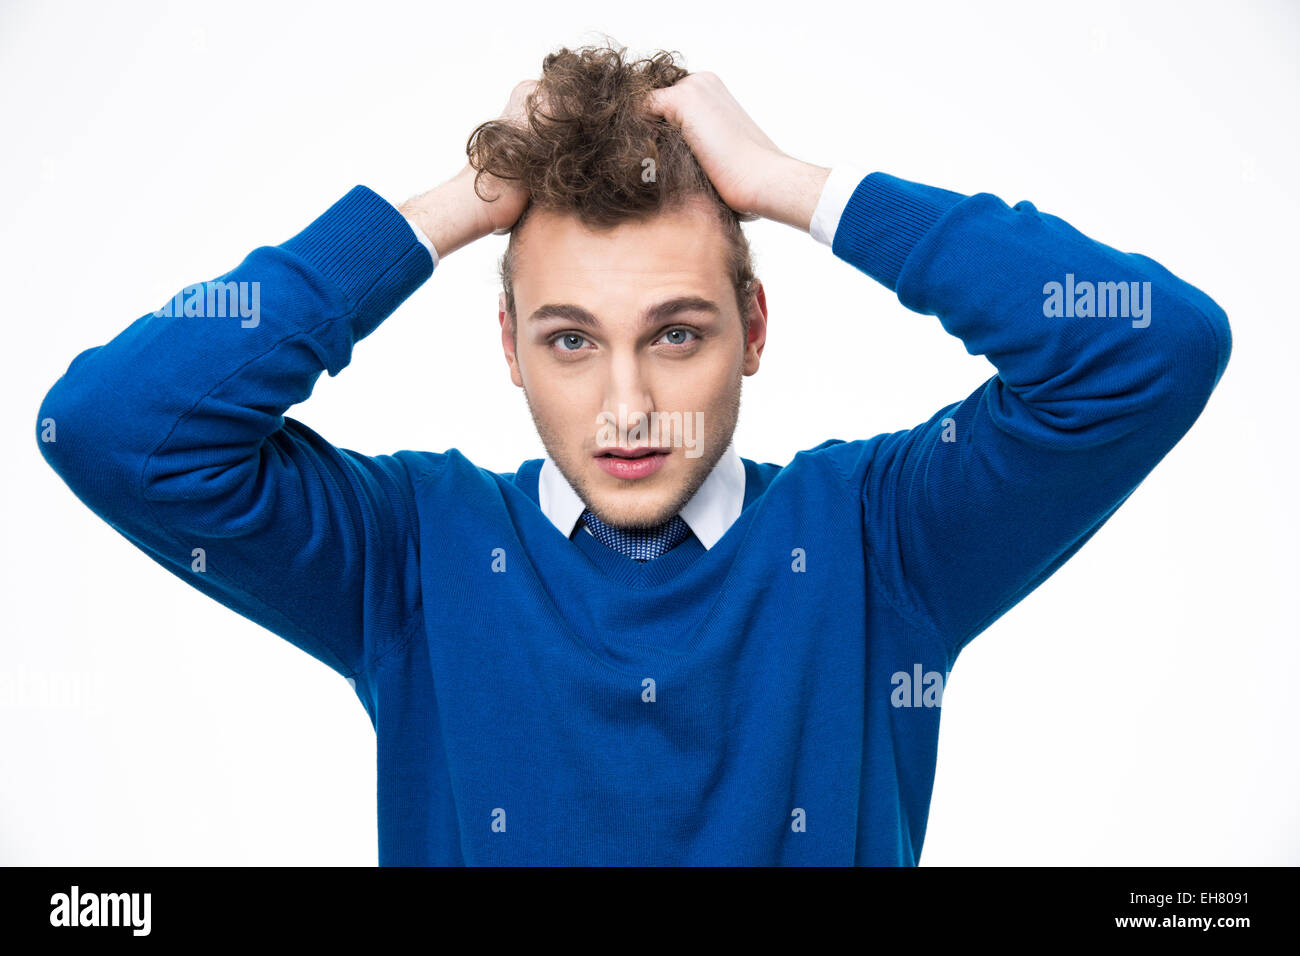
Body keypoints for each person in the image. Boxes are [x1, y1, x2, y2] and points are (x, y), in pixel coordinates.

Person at [35, 43, 1232, 865]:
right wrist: (460, 201)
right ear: (507, 345)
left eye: (675, 333)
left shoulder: (878, 542)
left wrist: (792, 187)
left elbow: (1152, 347)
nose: (629, 405)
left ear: (752, 332)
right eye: (569, 338)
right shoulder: (416, 553)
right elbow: (113, 427)